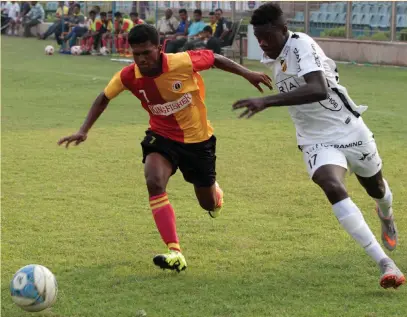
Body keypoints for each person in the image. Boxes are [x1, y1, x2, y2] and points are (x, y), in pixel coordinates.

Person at [57, 24, 272, 272]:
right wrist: (83, 130)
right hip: (161, 137)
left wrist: (247, 73)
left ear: (159, 49)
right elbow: (103, 97)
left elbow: (215, 58)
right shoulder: (129, 76)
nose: (141, 59)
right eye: (136, 54)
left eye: (146, 53)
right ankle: (175, 251)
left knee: (208, 204)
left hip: (198, 141)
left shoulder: (181, 62)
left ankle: (215, 193)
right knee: (154, 181)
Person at [232, 3, 405, 289]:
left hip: (349, 129)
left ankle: (385, 213)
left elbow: (318, 88)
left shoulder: (301, 44)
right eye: (257, 36)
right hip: (314, 138)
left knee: (376, 188)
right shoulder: (271, 54)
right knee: (331, 184)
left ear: (283, 30)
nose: (262, 43)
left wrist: (266, 101)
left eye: (267, 36)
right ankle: (385, 263)